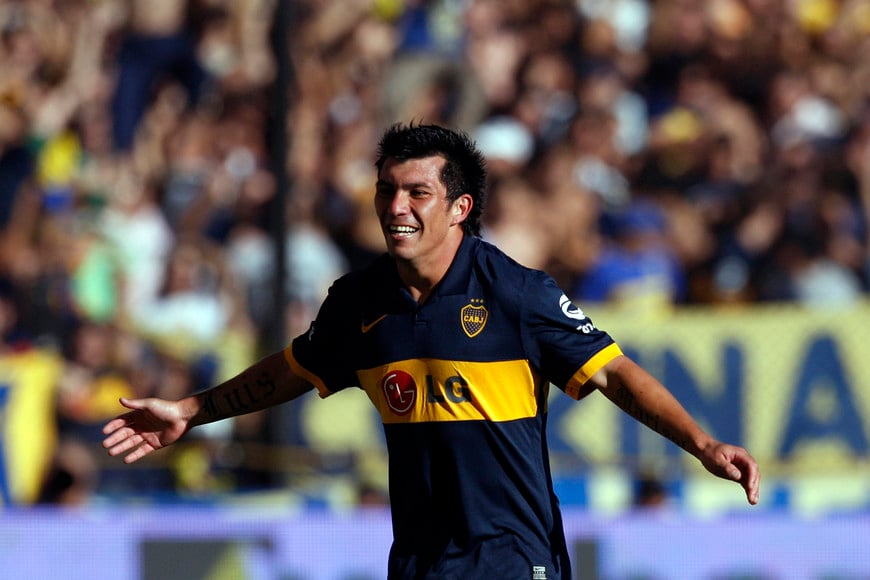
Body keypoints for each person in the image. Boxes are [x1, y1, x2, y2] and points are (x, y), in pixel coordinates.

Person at [102, 123, 761, 579]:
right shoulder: (359, 303)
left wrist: (703, 446)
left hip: (511, 556)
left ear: (458, 207)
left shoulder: (517, 293)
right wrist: (192, 408)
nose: (396, 207)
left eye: (417, 193)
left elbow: (615, 373)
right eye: (387, 190)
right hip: (418, 561)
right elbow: (292, 371)